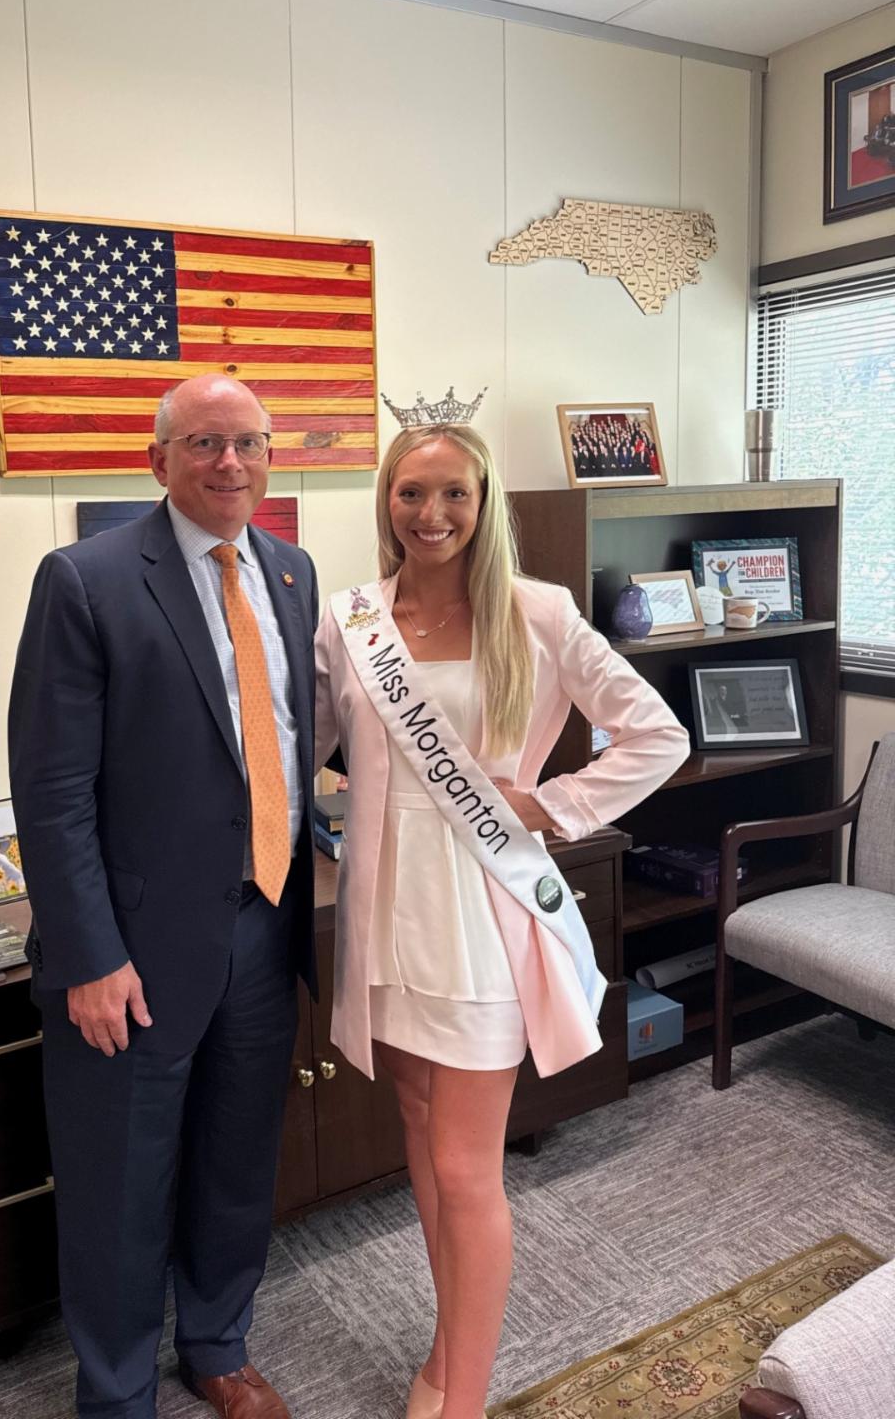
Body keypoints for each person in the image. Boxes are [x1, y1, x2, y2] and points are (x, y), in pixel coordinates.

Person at [314, 422, 688, 1419]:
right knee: (418, 1128)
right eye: (410, 493)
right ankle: (450, 1346)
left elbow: (657, 734)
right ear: (386, 502)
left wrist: (551, 805)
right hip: (384, 912)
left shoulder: (538, 610)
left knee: (464, 1164)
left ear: (484, 506)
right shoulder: (350, 619)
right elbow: (303, 741)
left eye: (454, 494)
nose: (430, 514)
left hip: (480, 913)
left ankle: (464, 1398)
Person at [9, 373, 320, 1419]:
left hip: (266, 922)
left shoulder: (292, 572)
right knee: (120, 1185)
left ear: (270, 456)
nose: (230, 462)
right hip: (133, 950)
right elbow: (50, 790)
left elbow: (286, 740)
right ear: (159, 460)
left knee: (237, 1160)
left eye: (249, 442)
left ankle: (218, 1344)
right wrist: (89, 955)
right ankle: (117, 1391)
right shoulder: (86, 580)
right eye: (203, 443)